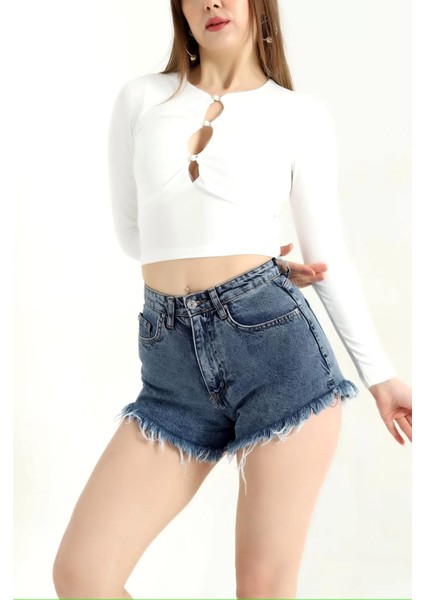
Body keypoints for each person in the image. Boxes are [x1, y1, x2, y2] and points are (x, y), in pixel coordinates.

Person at [52, 1, 412, 598]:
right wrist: (246, 253)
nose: (212, 2)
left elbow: (328, 257)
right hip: (170, 371)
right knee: (83, 573)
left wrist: (381, 376)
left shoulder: (298, 114)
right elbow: (136, 236)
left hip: (276, 358)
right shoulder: (141, 100)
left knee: (261, 589)